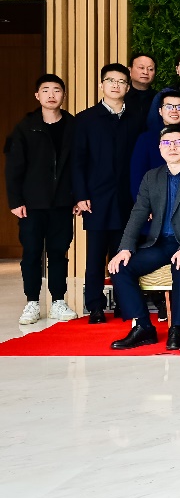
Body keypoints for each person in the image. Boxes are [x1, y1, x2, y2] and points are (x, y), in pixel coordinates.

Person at [107, 125, 180, 350]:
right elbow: (138, 213)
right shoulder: (151, 177)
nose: (172, 147)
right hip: (159, 242)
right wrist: (125, 248)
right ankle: (143, 326)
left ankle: (177, 329)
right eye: (167, 143)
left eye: (178, 142)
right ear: (159, 148)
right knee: (120, 267)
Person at [6, 74, 76, 325]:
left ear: (63, 95)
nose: (51, 95)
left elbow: (80, 165)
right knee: (32, 253)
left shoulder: (73, 125)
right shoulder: (26, 127)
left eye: (56, 90)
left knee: (58, 252)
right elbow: (14, 167)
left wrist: (78, 196)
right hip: (32, 203)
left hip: (63, 202)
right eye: (45, 90)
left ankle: (58, 301)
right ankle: (32, 302)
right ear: (37, 95)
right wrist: (15, 200)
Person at [73, 63, 140, 323]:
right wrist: (80, 195)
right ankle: (95, 306)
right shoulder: (85, 119)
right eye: (111, 81)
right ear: (101, 85)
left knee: (124, 251)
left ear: (127, 87)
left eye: (121, 81)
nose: (116, 85)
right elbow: (77, 161)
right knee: (96, 255)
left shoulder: (135, 118)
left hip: (127, 197)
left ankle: (124, 303)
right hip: (96, 198)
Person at [130, 89, 180, 198]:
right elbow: (137, 175)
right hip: (154, 200)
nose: (174, 111)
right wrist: (143, 204)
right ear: (160, 111)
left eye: (179, 107)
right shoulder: (146, 139)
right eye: (168, 107)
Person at [125, 53, 157, 128]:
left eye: (150, 69)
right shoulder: (121, 96)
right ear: (130, 70)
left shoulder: (159, 98)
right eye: (141, 68)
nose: (145, 72)